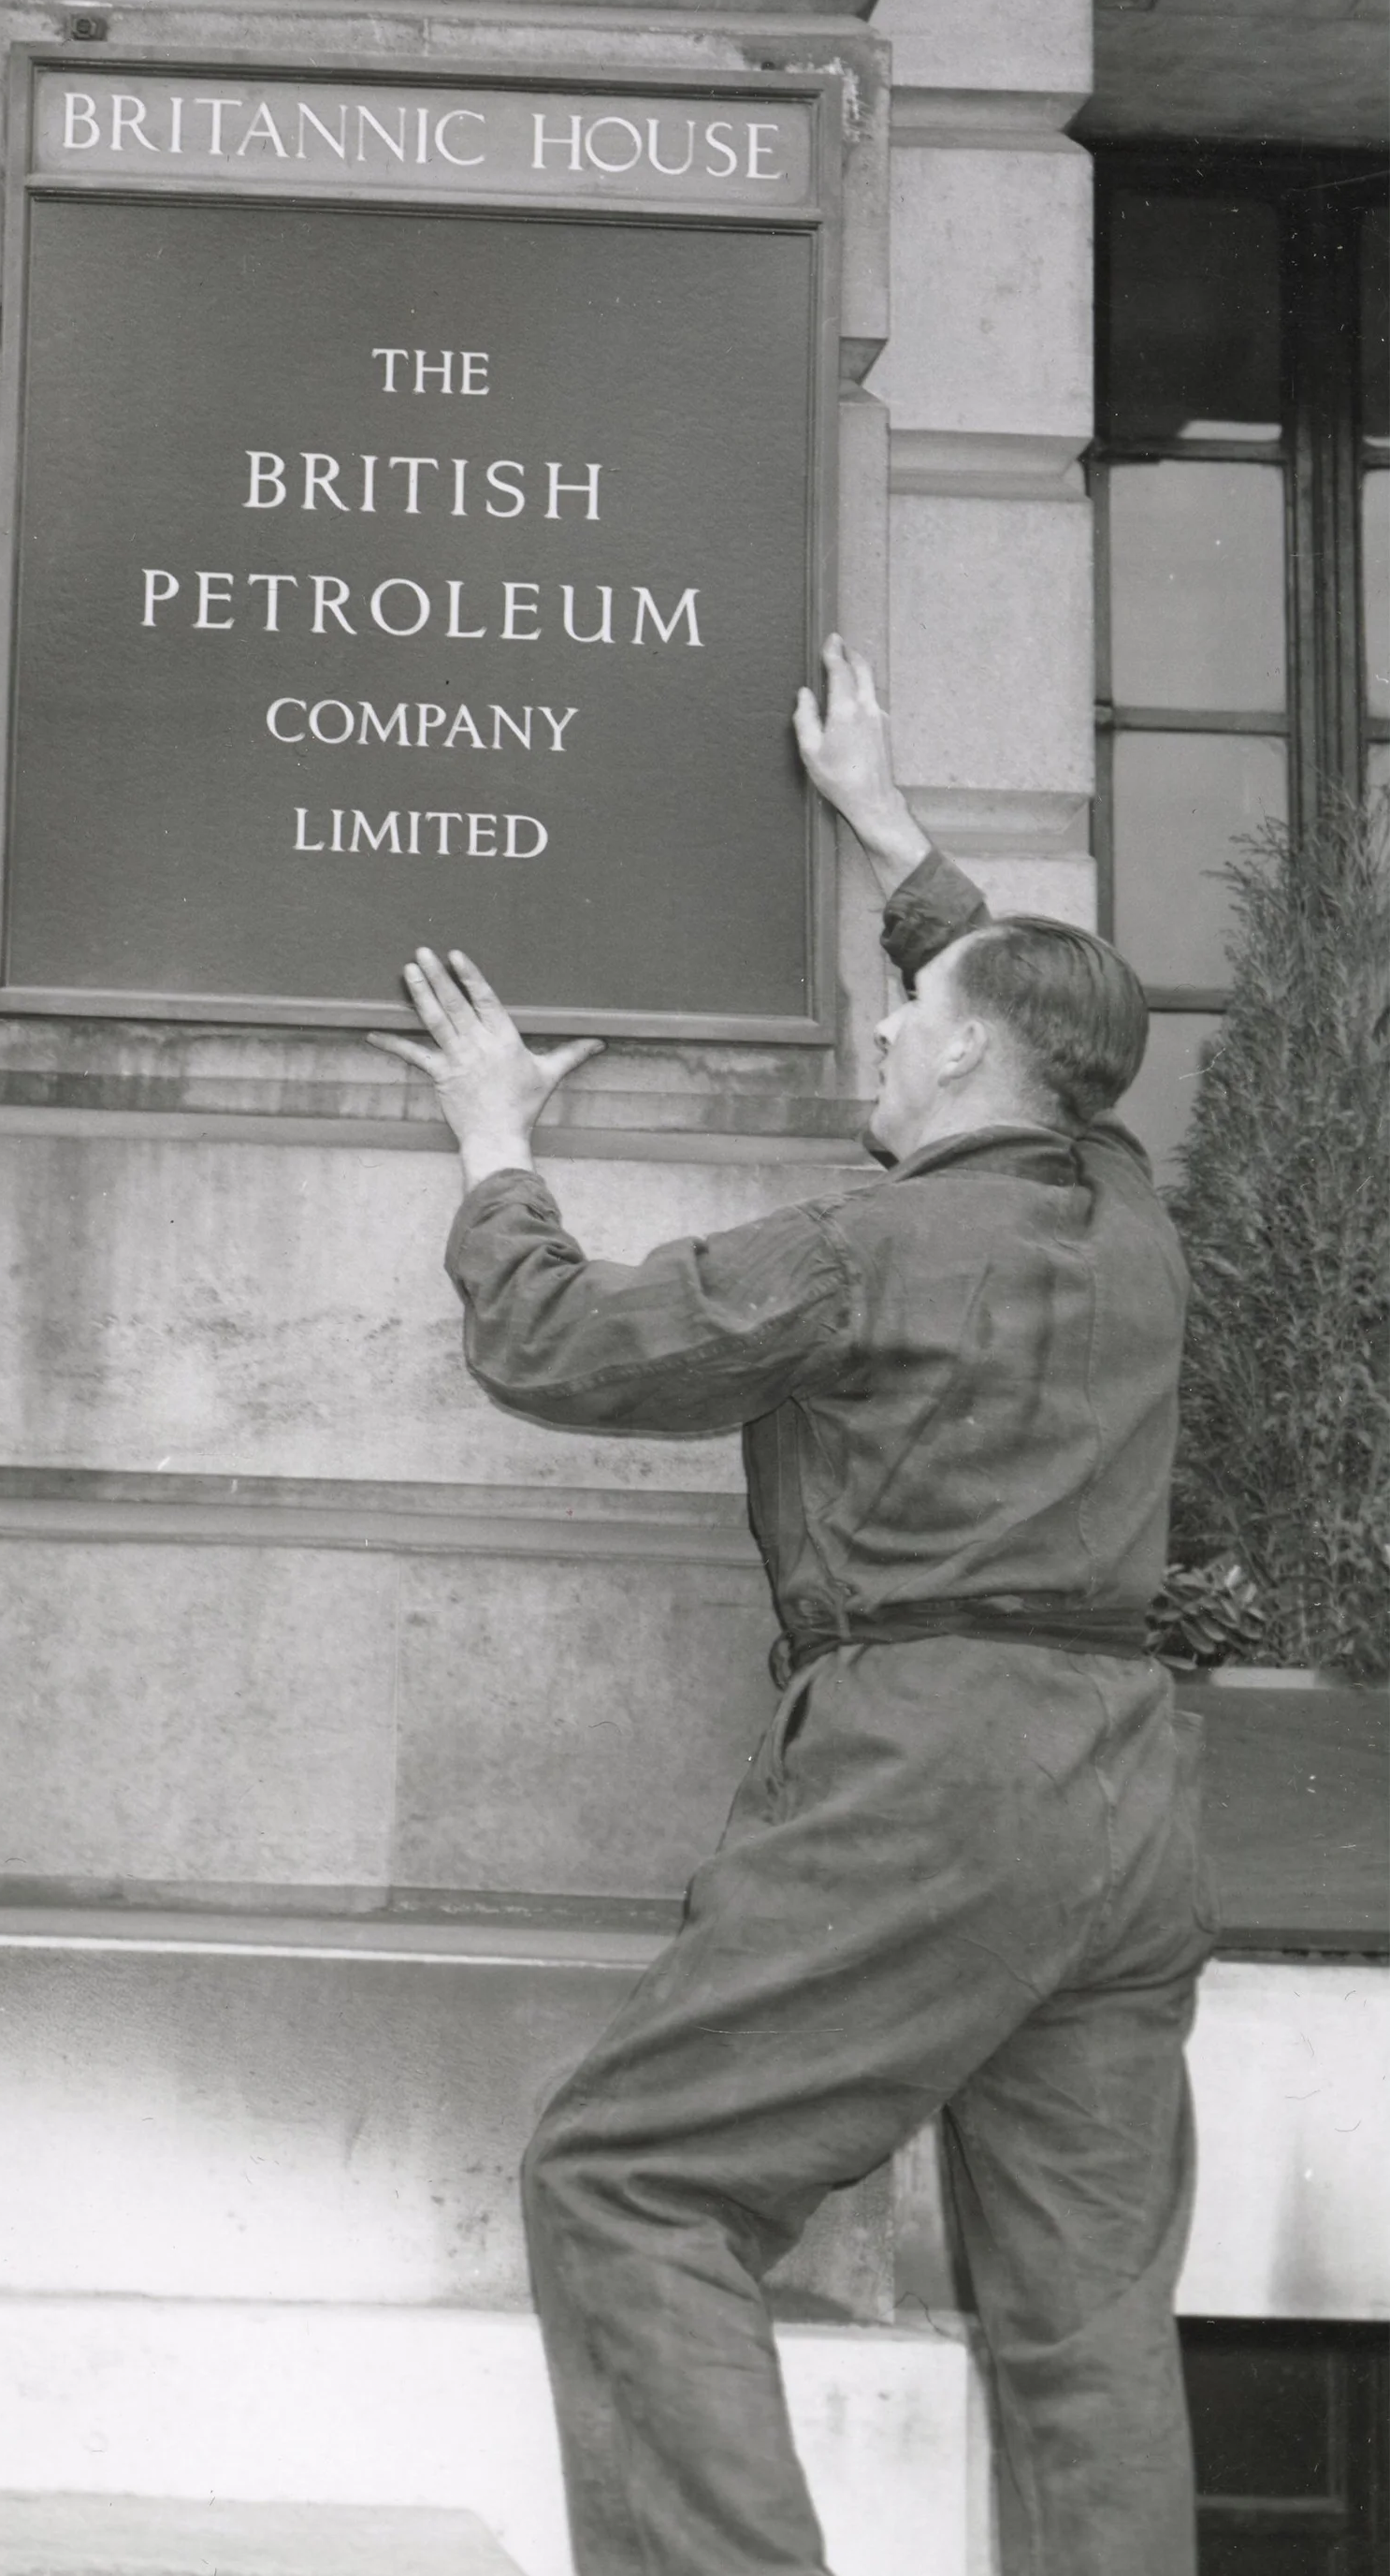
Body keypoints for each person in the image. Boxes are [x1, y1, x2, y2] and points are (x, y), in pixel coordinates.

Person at [369, 633, 1215, 2576]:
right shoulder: (1125, 1209)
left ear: (967, 1059)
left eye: (909, 1010)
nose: (885, 1032)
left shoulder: (859, 1248)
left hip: (930, 1781)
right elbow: (1037, 1018)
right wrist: (887, 831)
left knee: (624, 2180)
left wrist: (496, 1134)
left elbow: (561, 1344)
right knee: (1083, 2322)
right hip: (1131, 1798)